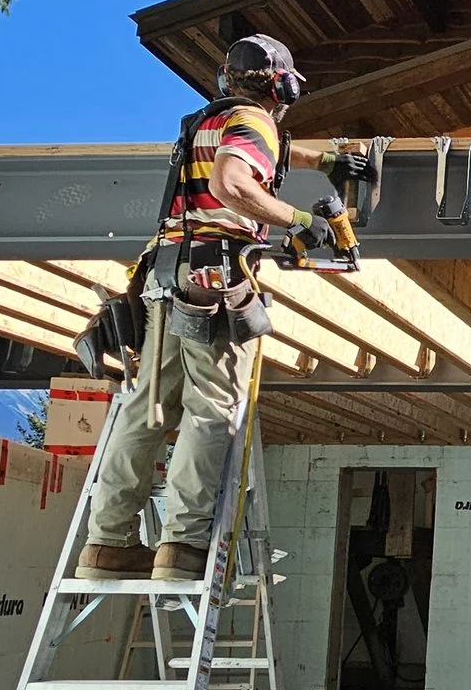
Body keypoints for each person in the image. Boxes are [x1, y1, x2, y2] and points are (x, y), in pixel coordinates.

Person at [76, 34, 371, 583]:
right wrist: (302, 221)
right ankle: (182, 549)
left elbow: (264, 148)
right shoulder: (253, 124)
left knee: (146, 409)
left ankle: (106, 544)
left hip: (164, 274)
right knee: (211, 406)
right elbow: (233, 180)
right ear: (283, 86)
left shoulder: (206, 123)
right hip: (212, 276)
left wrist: (327, 160)